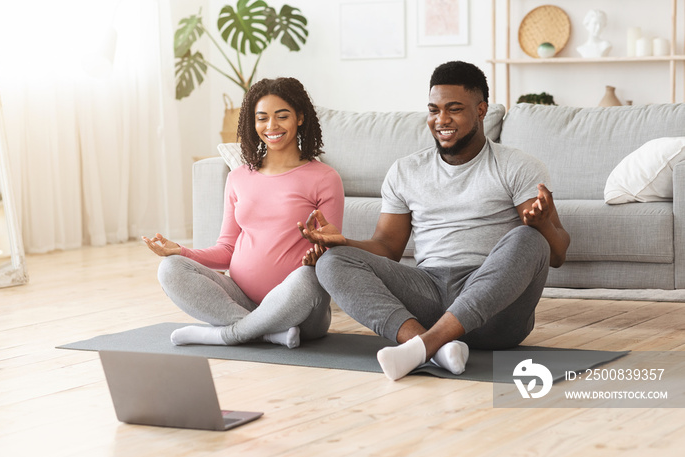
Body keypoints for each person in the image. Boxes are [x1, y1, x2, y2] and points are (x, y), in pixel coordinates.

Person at [298, 61, 570, 380]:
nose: (442, 120)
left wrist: (541, 227)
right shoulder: (405, 171)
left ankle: (423, 346)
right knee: (332, 262)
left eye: (454, 109)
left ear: (481, 110)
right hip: (427, 291)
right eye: (434, 110)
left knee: (528, 238)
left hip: (495, 311)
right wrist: (342, 243)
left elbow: (557, 255)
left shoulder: (518, 166)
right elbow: (387, 247)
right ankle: (438, 348)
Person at [143, 77, 344, 349]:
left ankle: (226, 335)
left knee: (307, 277)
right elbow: (226, 249)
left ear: (300, 118)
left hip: (301, 309)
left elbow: (332, 252)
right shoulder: (238, 177)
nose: (271, 126)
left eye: (281, 116)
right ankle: (265, 332)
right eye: (262, 118)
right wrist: (180, 251)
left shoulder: (324, 178)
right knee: (169, 269)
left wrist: (322, 252)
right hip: (241, 299)